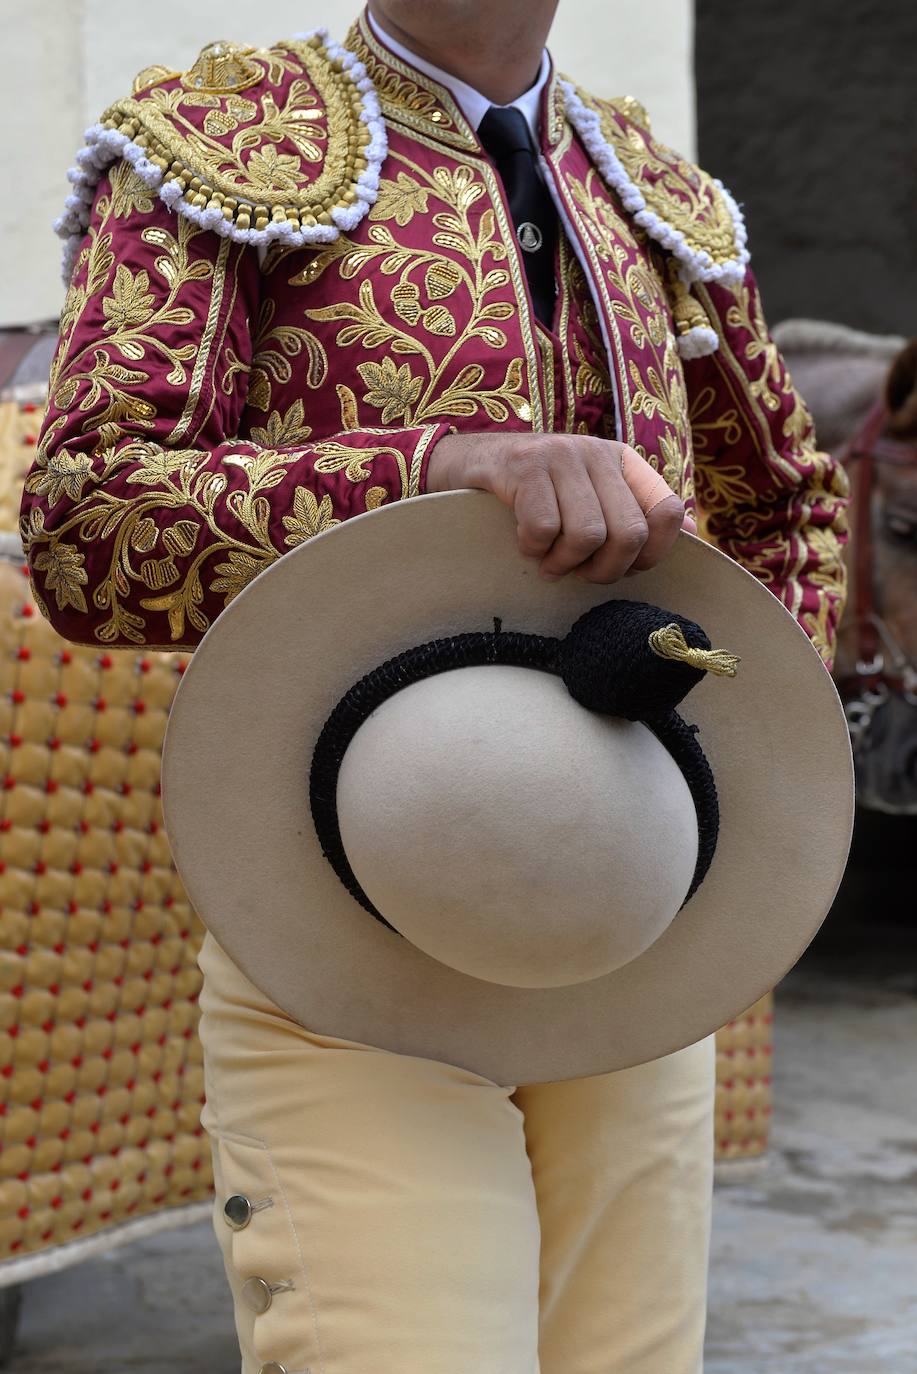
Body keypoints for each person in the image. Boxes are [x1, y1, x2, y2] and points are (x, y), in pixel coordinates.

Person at [20, 3, 848, 1370]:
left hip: (631, 951)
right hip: (347, 943)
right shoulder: (217, 143)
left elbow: (785, 513)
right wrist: (430, 469)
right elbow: (84, 523)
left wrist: (732, 765)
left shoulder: (657, 196)